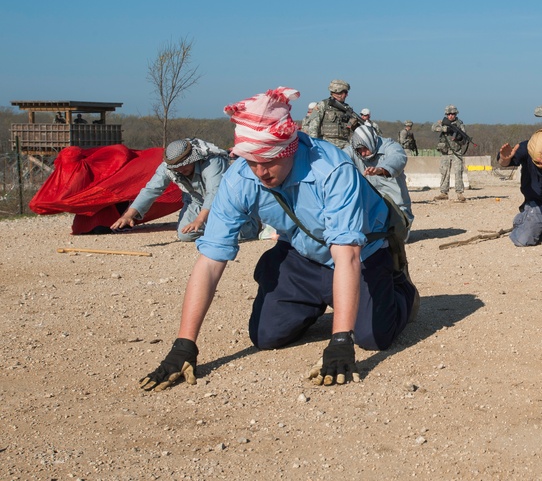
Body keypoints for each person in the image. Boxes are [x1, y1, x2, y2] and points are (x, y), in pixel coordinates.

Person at [137, 87, 419, 392]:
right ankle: (320, 300)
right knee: (266, 337)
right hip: (301, 256)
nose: (260, 172)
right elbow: (209, 262)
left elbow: (347, 254)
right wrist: (184, 345)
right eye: (251, 162)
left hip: (360, 256)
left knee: (373, 337)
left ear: (290, 149)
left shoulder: (333, 169)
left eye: (269, 161)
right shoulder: (240, 177)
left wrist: (340, 341)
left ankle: (401, 292)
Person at [111, 138, 257, 242]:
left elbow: (215, 192)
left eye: (184, 165)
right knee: (185, 235)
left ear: (193, 158)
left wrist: (200, 220)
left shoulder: (212, 161)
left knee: (234, 236)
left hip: (228, 202)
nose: (181, 169)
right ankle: (215, 227)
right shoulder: (167, 168)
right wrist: (129, 214)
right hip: (196, 202)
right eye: (177, 167)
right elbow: (151, 189)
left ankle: (253, 223)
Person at [349, 125, 414, 231]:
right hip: (370, 209)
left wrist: (381, 170)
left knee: (392, 239)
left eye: (365, 148)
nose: (363, 153)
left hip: (396, 209)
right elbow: (339, 159)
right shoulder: (352, 151)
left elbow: (398, 157)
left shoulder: (390, 146)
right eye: (359, 150)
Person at [304, 79, 359, 149]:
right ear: (338, 92)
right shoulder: (323, 105)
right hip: (326, 144)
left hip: (345, 145)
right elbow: (313, 127)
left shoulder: (346, 108)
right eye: (345, 92)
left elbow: (348, 129)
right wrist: (314, 145)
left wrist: (352, 124)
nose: (346, 95)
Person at [432, 104, 470, 202]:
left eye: (452, 114)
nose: (451, 116)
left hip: (456, 151)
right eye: (449, 114)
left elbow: (463, 135)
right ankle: (444, 193)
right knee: (444, 172)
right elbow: (434, 127)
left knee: (458, 172)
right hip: (445, 152)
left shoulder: (459, 124)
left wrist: (458, 137)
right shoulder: (443, 122)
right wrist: (445, 129)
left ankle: (459, 193)